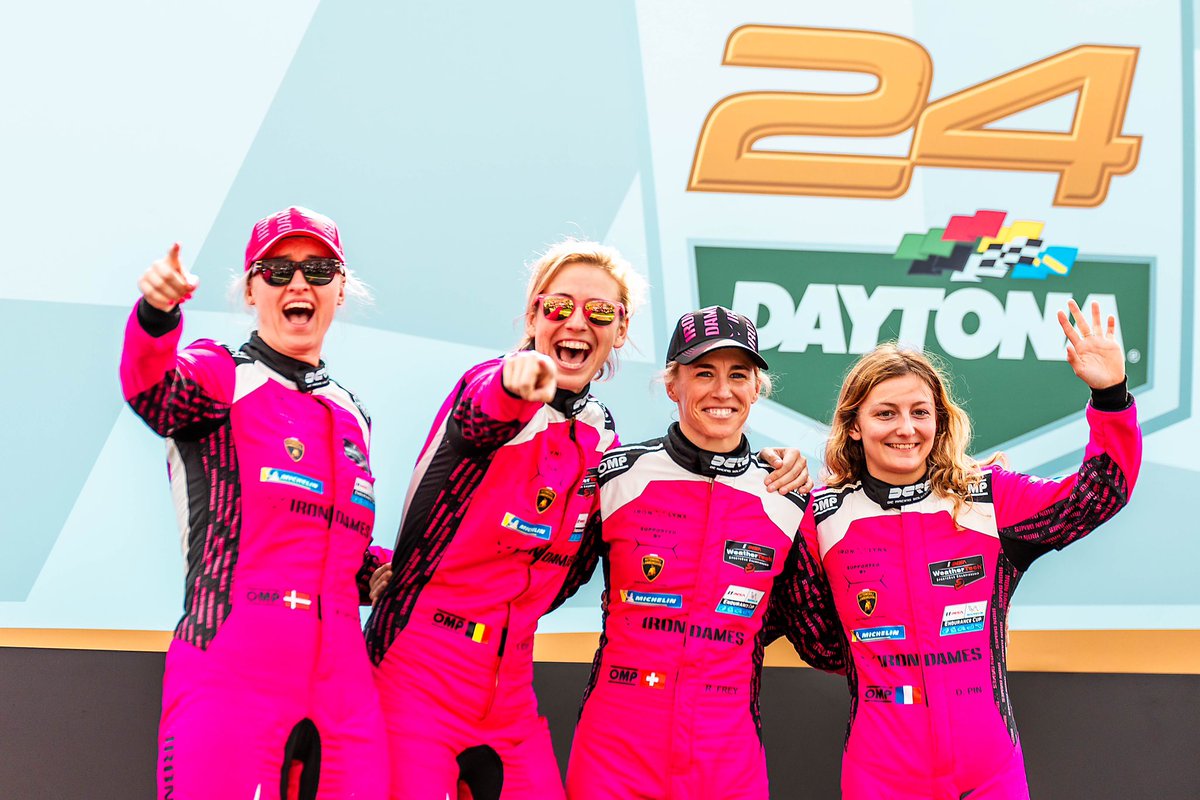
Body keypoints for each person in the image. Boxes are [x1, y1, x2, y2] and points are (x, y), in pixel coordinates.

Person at [364, 245, 810, 800]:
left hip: (510, 688)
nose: (577, 322)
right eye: (558, 308)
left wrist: (777, 469)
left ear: (619, 331)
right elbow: (483, 417)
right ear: (532, 317)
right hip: (419, 670)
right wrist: (516, 381)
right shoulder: (489, 384)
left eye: (599, 312)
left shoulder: (602, 440)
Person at [799, 300, 1141, 800]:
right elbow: (818, 640)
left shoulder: (988, 498)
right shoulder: (821, 516)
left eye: (920, 412)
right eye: (885, 413)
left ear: (939, 420)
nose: (906, 428)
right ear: (853, 425)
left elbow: (1100, 492)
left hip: (989, 774)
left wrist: (1110, 396)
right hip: (881, 775)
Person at [121, 206, 389, 800]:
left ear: (341, 290)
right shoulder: (220, 375)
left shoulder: (354, 415)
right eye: (278, 270)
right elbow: (153, 391)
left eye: (319, 269)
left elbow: (337, 543)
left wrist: (377, 569)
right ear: (250, 289)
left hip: (346, 693)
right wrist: (156, 316)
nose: (299, 283)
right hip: (232, 669)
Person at [562, 306, 845, 800]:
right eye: (703, 373)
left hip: (726, 754)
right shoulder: (617, 474)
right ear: (673, 385)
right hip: (615, 747)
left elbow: (821, 643)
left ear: (757, 388)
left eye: (739, 374)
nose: (722, 391)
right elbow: (547, 582)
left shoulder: (787, 494)